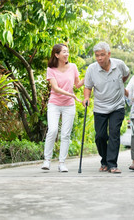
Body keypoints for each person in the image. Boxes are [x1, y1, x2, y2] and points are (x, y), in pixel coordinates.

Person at [83, 42, 129, 174]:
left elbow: (126, 74)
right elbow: (88, 86)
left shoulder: (119, 65)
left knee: (114, 134)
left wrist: (120, 84)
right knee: (100, 136)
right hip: (100, 107)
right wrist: (86, 98)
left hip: (117, 106)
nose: (99, 58)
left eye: (102, 55)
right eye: (97, 55)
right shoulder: (92, 69)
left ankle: (112, 164)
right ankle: (104, 160)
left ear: (109, 54)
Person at [41, 43, 84, 172]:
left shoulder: (73, 67)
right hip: (54, 103)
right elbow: (55, 88)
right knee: (53, 130)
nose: (67, 54)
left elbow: (77, 85)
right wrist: (71, 94)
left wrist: (88, 76)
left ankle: (61, 163)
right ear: (56, 54)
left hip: (69, 105)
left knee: (65, 134)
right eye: (64, 52)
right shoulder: (51, 69)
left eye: (67, 51)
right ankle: (47, 160)